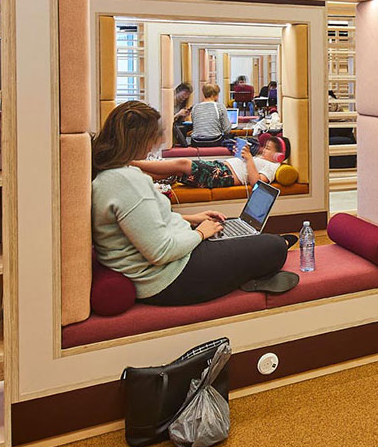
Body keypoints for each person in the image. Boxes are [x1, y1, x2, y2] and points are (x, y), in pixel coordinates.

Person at [91, 101, 296, 306]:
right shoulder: (126, 182)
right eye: (154, 137)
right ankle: (268, 256)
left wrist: (190, 219)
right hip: (171, 276)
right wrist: (199, 233)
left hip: (171, 262)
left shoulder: (113, 176)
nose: (158, 141)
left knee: (230, 226)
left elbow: (143, 221)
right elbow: (161, 252)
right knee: (275, 246)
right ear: (137, 139)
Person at [137, 133, 288, 190]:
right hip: (220, 168)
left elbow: (257, 185)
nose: (263, 150)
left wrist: (249, 159)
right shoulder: (263, 159)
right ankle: (135, 175)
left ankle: (132, 163)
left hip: (222, 175)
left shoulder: (272, 166)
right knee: (175, 172)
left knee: (182, 164)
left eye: (268, 149)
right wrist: (241, 154)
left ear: (279, 156)